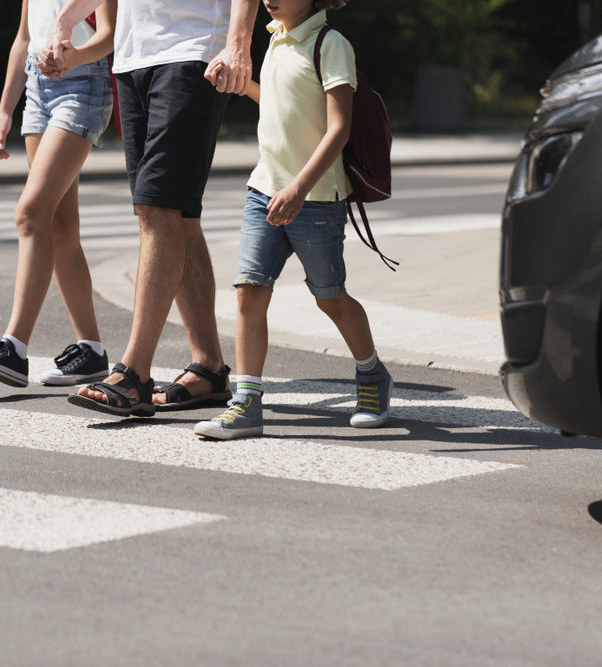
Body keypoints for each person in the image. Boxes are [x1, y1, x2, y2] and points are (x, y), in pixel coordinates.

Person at [43, 0, 260, 417]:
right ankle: (209, 368)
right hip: (133, 57)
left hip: (193, 52)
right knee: (179, 215)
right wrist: (63, 22)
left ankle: (134, 373)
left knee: (157, 208)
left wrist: (238, 44)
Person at [194, 0, 394, 440]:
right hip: (264, 190)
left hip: (316, 201)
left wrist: (299, 189)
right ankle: (246, 403)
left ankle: (372, 374)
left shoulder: (332, 44)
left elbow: (337, 127)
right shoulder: (275, 39)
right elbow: (279, 104)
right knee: (249, 290)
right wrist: (242, 84)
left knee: (330, 298)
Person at [0, 0, 116, 388]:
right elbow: (24, 38)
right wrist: (5, 110)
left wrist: (72, 58)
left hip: (82, 87)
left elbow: (109, 37)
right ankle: (91, 351)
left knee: (30, 212)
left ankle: (13, 347)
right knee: (59, 226)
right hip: (38, 92)